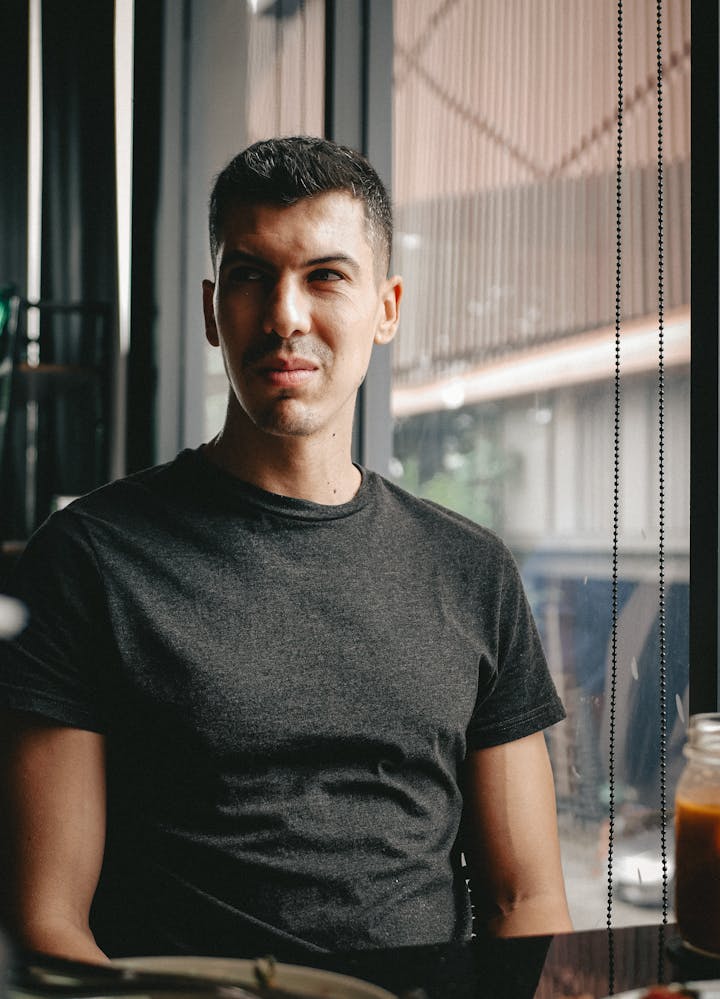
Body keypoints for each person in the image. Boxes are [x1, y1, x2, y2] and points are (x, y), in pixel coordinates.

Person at [0, 136, 572, 965]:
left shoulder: (471, 570)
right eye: (250, 275)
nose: (284, 316)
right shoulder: (89, 559)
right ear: (211, 309)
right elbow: (46, 921)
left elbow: (527, 899)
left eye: (326, 276)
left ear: (387, 308)